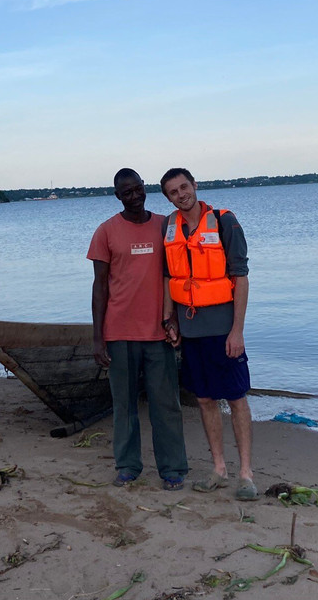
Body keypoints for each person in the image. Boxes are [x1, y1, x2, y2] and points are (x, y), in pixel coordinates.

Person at [88, 168, 188, 490]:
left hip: (158, 332)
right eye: (126, 193)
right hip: (118, 333)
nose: (133, 197)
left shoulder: (164, 226)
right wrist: (98, 336)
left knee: (166, 405)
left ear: (144, 188)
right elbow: (99, 287)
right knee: (124, 405)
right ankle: (128, 465)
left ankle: (172, 468)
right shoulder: (105, 231)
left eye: (137, 190)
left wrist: (176, 319)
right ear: (118, 196)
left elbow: (177, 274)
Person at [159, 167, 256, 500]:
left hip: (223, 329)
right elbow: (167, 279)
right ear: (168, 197)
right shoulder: (168, 227)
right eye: (173, 191)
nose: (181, 194)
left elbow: (240, 279)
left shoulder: (225, 222)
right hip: (190, 330)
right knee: (203, 399)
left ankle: (245, 473)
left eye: (184, 187)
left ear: (195, 185)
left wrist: (237, 331)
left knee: (236, 396)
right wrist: (169, 319)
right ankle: (219, 468)